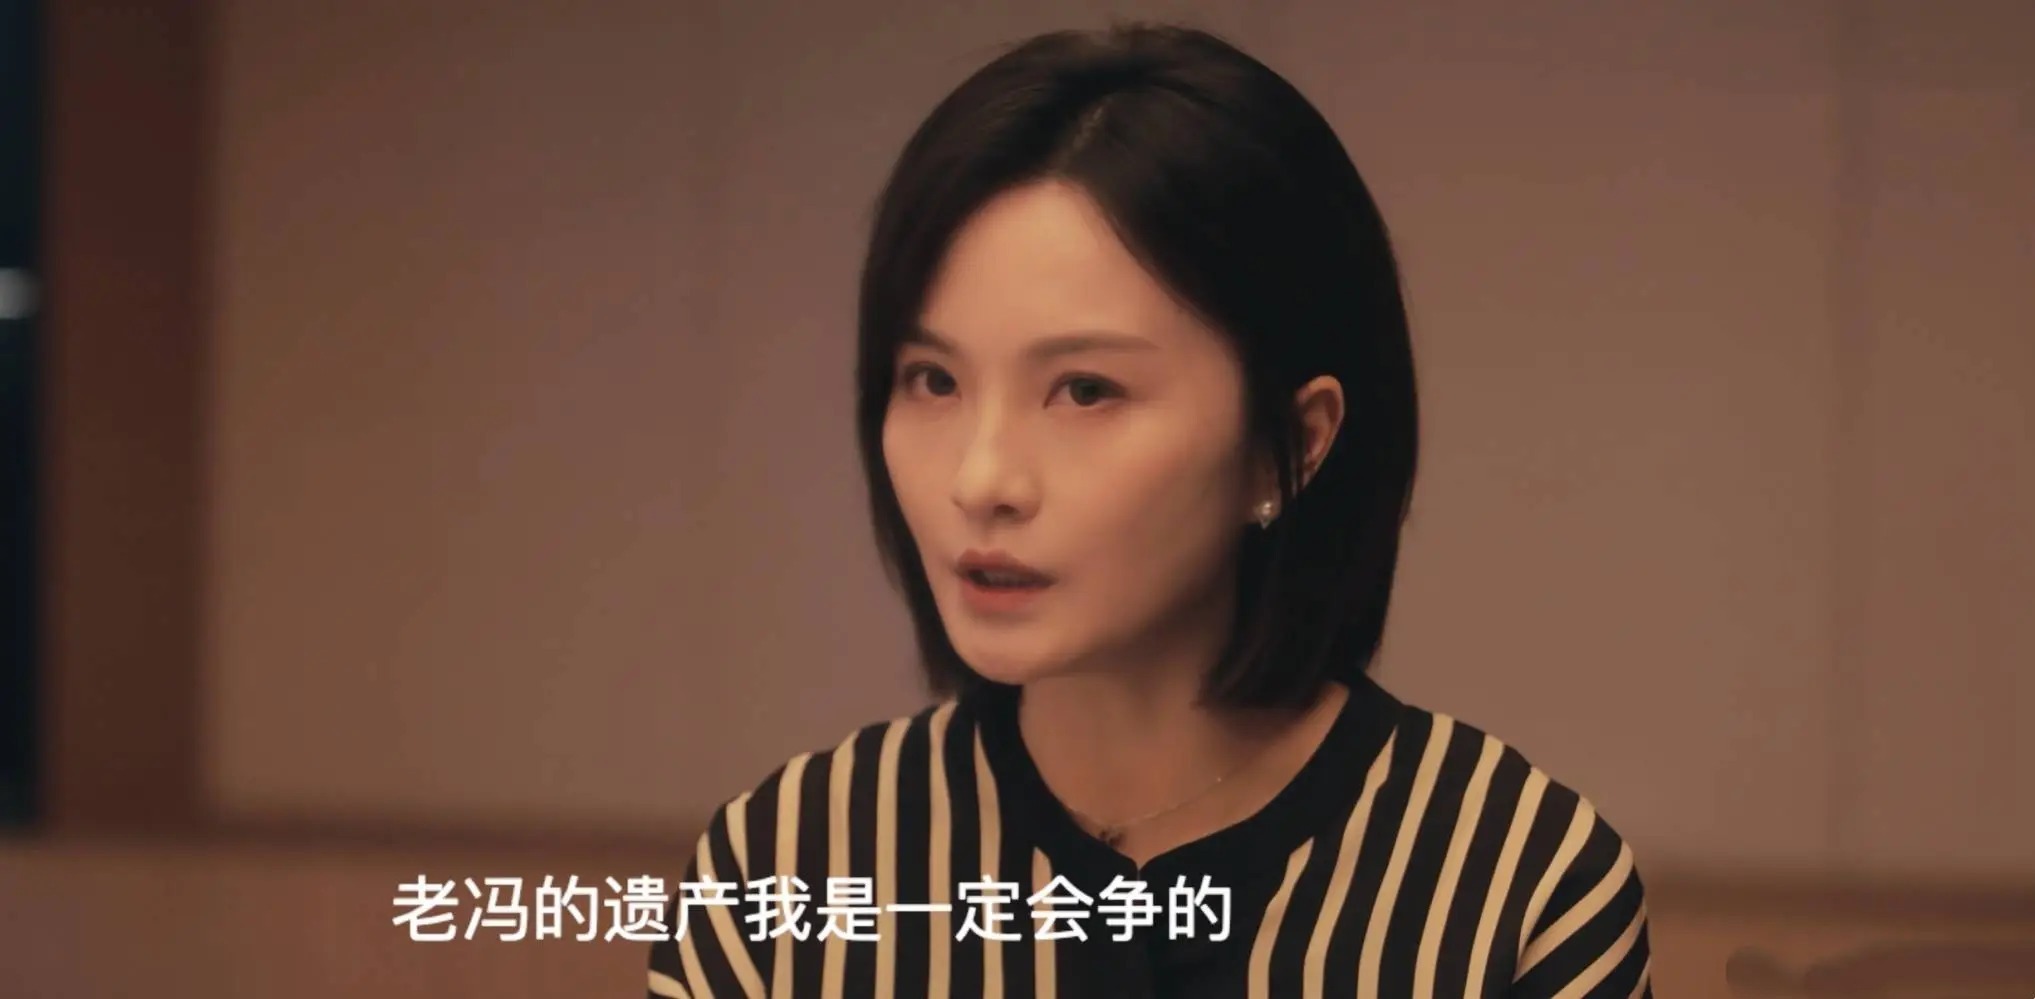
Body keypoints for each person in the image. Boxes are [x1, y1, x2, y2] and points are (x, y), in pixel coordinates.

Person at [648, 21, 1652, 998]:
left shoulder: (1516, 883)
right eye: (933, 381)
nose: (980, 479)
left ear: (1293, 441)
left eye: (1085, 390)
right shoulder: (785, 868)